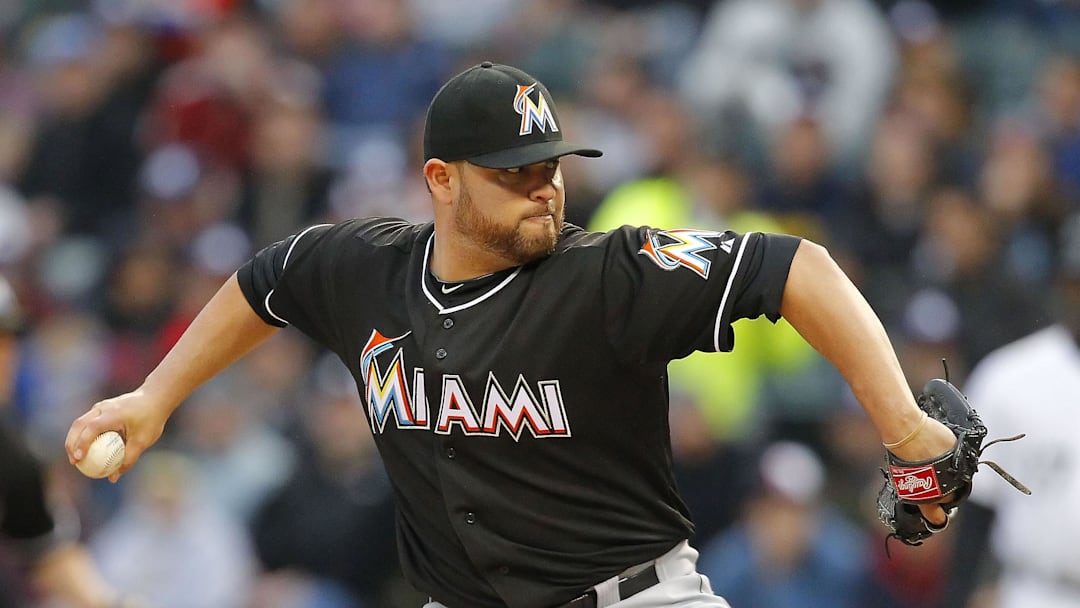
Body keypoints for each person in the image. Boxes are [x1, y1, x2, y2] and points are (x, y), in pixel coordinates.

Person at [66, 62, 958, 608]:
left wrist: (907, 432)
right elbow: (266, 281)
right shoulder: (364, 268)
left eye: (552, 168)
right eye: (515, 173)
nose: (546, 189)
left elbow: (795, 267)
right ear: (442, 181)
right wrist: (155, 397)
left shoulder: (611, 273)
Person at [941, 213, 1080, 608]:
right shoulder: (1010, 376)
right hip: (1035, 591)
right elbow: (975, 512)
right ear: (1067, 285)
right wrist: (962, 594)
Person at [0, 275, 132, 608]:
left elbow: (49, 552)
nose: (4, 358)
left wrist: (110, 603)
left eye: (8, 341)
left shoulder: (12, 456)